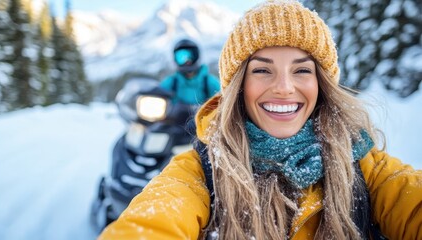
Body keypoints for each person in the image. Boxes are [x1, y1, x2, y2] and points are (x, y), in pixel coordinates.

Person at [98, 1, 422, 239]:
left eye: (302, 70)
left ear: (322, 84)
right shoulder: (202, 170)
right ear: (239, 87)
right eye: (262, 70)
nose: (283, 87)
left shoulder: (365, 167)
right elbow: (157, 218)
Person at [159, 38, 220, 105]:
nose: (187, 61)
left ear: (196, 55)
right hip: (173, 115)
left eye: (190, 56)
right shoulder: (171, 83)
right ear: (175, 59)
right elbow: (158, 95)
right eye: (181, 57)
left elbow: (222, 101)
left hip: (203, 115)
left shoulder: (209, 82)